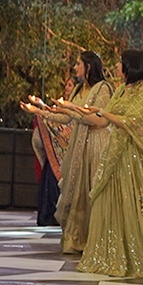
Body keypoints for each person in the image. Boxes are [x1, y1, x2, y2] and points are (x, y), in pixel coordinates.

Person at [66, 49, 143, 278]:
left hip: (134, 158)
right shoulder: (120, 90)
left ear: (131, 66)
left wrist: (103, 112)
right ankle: (114, 255)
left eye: (120, 62)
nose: (117, 66)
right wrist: (73, 110)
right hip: (115, 154)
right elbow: (103, 120)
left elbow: (135, 124)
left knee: (136, 205)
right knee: (109, 201)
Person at [33, 51, 112, 254]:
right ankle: (76, 239)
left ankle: (97, 240)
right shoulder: (78, 88)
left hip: (97, 142)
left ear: (88, 66)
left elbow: (100, 119)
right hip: (79, 143)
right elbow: (68, 118)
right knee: (76, 191)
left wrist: (71, 110)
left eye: (78, 64)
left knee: (94, 189)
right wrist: (41, 112)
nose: (75, 67)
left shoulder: (103, 89)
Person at [30, 70, 69, 227]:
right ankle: (48, 216)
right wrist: (41, 109)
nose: (67, 88)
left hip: (69, 156)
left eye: (70, 85)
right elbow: (55, 118)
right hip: (53, 153)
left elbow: (68, 124)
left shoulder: (77, 106)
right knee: (50, 179)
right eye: (67, 85)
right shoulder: (62, 106)